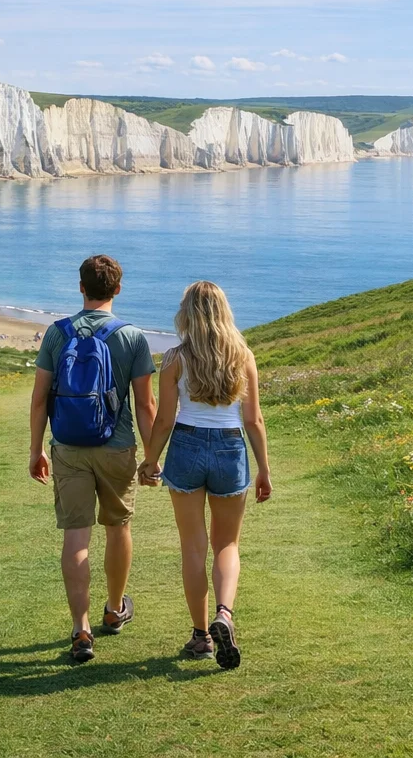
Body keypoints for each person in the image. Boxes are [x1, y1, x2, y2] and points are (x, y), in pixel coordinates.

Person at [29, 255, 156, 663]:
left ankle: (81, 629)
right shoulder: (133, 337)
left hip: (68, 446)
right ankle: (115, 609)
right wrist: (152, 457)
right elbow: (146, 406)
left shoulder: (56, 333)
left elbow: (39, 400)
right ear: (118, 289)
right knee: (118, 528)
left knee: (75, 535)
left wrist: (35, 450)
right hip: (117, 448)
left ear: (80, 287)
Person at [139, 281, 271, 670]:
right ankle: (224, 615)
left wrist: (149, 462)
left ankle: (201, 637)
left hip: (186, 446)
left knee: (193, 547)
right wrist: (263, 469)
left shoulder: (176, 357)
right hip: (231, 448)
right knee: (227, 545)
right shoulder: (242, 354)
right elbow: (254, 419)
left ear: (187, 314)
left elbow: (164, 419)